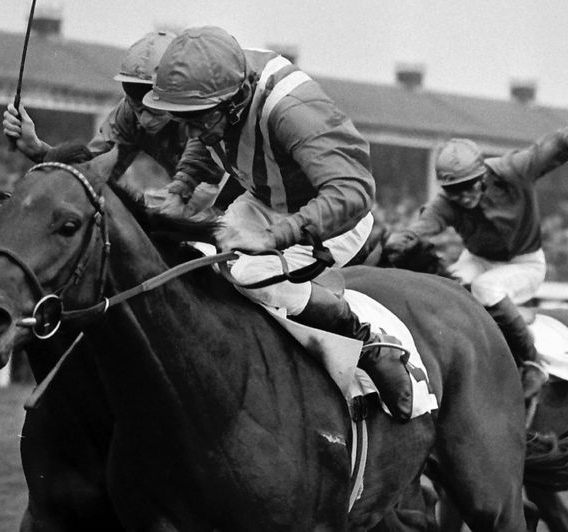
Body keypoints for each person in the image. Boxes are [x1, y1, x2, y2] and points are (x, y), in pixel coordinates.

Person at [142, 26, 413, 420]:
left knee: (250, 275)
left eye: (196, 119)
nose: (189, 132)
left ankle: (369, 343)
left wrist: (273, 237)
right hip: (264, 200)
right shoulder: (218, 86)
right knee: (193, 256)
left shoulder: (291, 111)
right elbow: (206, 135)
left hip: (332, 219)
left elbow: (353, 192)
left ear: (234, 103)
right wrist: (180, 187)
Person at [387, 131, 568, 398]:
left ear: (482, 177)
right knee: (448, 289)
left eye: (468, 186)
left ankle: (533, 362)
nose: (463, 197)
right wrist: (395, 242)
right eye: (454, 191)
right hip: (478, 259)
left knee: (485, 287)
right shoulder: (445, 204)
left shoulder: (514, 169)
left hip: (526, 264)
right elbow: (418, 230)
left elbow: (561, 140)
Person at [2, 31, 223, 214]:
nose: (144, 120)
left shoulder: (203, 110)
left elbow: (198, 195)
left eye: (154, 109)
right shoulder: (127, 115)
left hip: (237, 202)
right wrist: (38, 149)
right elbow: (90, 175)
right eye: (137, 106)